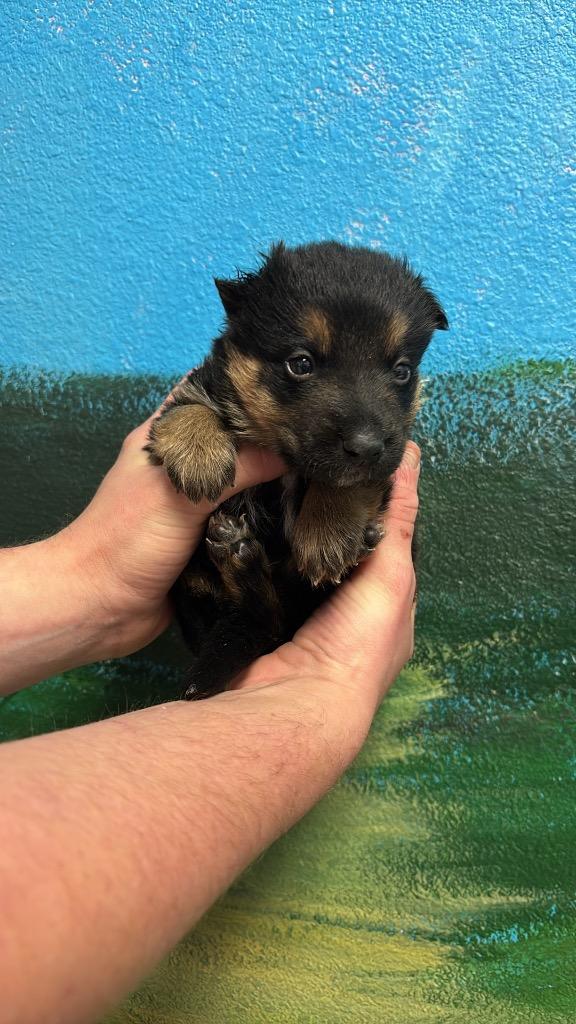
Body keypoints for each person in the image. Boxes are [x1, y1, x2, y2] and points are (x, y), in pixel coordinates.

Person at [0, 399, 420, 1024]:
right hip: (226, 609)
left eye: (399, 370)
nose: (360, 414)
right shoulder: (222, 399)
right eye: (302, 366)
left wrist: (90, 583)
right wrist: (324, 688)